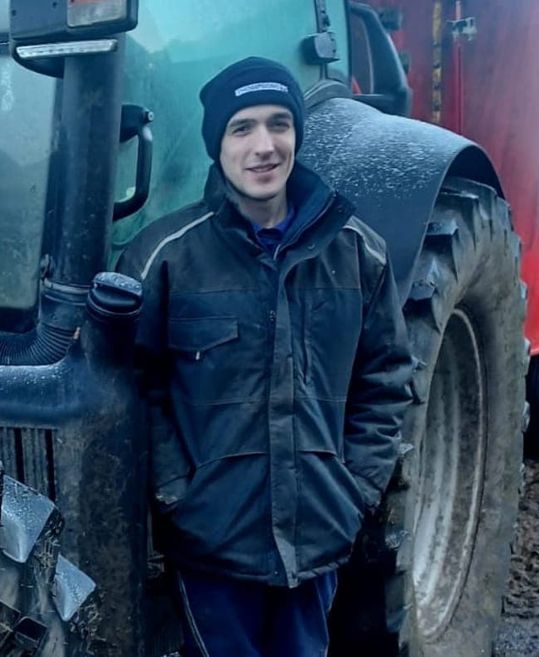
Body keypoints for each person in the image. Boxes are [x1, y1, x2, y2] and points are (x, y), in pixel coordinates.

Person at [116, 57, 414, 656]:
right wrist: (178, 494)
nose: (264, 146)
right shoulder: (164, 257)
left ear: (297, 134)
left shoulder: (358, 253)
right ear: (217, 145)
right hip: (213, 542)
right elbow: (135, 388)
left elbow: (385, 380)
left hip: (317, 535)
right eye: (242, 127)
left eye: (280, 123)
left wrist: (355, 490)